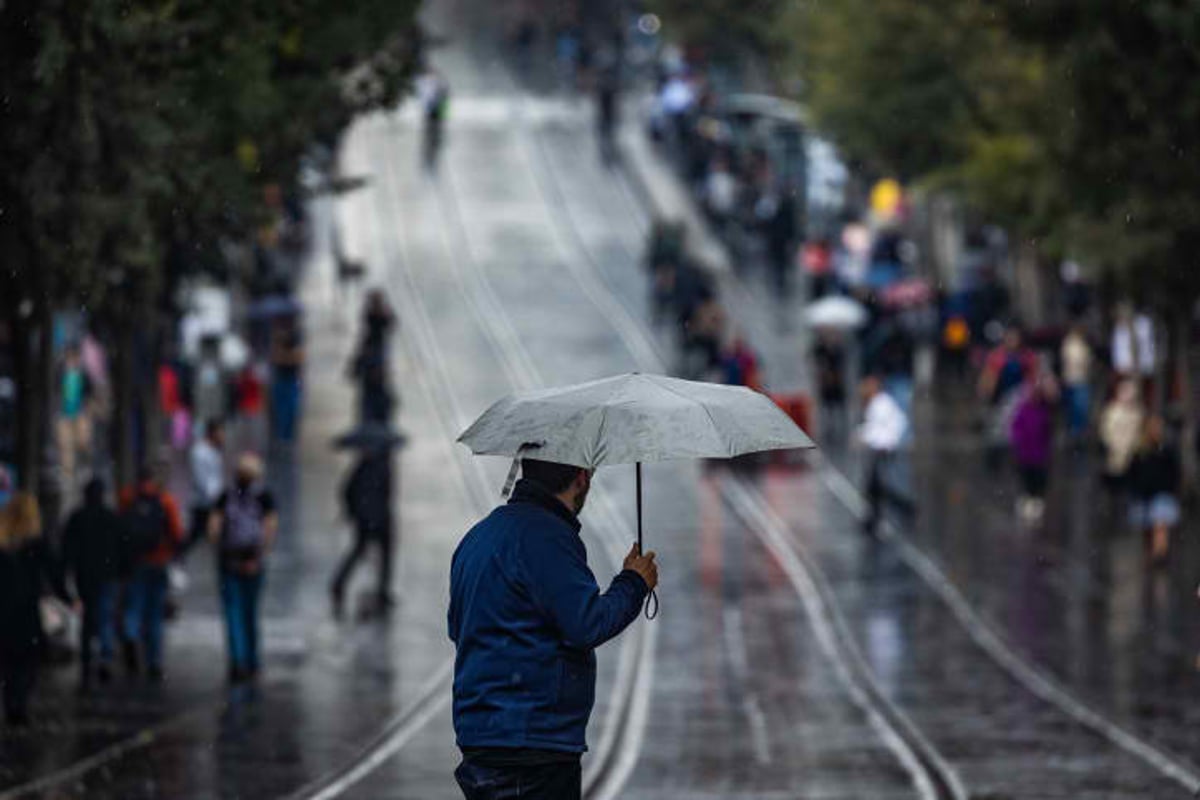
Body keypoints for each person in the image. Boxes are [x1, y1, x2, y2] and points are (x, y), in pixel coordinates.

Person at [448, 459, 658, 800]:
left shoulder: (478, 536)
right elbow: (587, 624)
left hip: (481, 738)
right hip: (532, 745)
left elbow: (458, 628)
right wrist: (634, 583)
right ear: (582, 478)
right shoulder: (547, 538)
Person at [0, 493, 70, 725]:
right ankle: (19, 705)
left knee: (9, 660)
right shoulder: (37, 543)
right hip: (27, 610)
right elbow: (53, 571)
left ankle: (12, 703)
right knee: (27, 660)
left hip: (4, 608)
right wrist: (68, 598)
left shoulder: (4, 542)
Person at [207, 454, 277, 682]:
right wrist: (259, 556)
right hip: (254, 562)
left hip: (229, 561)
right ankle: (252, 661)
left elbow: (214, 530)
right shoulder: (265, 497)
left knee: (233, 612)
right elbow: (269, 529)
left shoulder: (226, 495)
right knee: (250, 613)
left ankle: (237, 659)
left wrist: (221, 551)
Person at [119, 464, 185, 681]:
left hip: (135, 562)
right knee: (155, 614)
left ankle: (130, 634)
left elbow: (121, 526)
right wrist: (175, 554)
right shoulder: (165, 501)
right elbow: (177, 532)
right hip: (159, 561)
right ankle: (154, 662)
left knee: (134, 606)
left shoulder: (128, 497)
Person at [61, 479, 123, 689]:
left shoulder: (78, 518)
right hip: (106, 575)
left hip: (86, 575)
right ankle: (104, 656)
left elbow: (67, 549)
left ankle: (89, 659)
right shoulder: (110, 517)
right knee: (104, 615)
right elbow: (121, 546)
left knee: (89, 619)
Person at [331, 445, 396, 618]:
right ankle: (382, 591)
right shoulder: (384, 467)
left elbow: (346, 491)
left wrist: (353, 512)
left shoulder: (361, 466)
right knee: (384, 554)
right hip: (379, 519)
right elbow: (386, 494)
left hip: (365, 519)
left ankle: (339, 584)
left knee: (360, 552)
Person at [857, 375, 914, 535]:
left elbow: (890, 425)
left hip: (883, 450)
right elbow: (874, 427)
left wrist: (887, 442)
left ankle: (879, 518)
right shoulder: (878, 403)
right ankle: (875, 519)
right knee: (879, 486)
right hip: (881, 450)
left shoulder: (881, 404)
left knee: (878, 486)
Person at [978, 327, 1038, 467]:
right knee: (998, 431)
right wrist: (985, 390)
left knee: (1016, 431)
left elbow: (1032, 376)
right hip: (1001, 397)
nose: (1011, 341)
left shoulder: (1026, 356)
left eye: (1014, 338)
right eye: (1009, 338)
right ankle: (996, 460)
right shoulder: (998, 355)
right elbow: (989, 375)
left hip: (1020, 397)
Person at [1127, 416, 1181, 565]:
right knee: (1148, 527)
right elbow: (1133, 471)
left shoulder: (1166, 450)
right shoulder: (1140, 451)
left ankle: (1159, 554)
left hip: (1161, 492)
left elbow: (1174, 471)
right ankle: (1152, 553)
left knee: (1160, 525)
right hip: (1145, 494)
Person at [1009, 378, 1058, 522]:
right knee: (1027, 479)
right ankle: (1028, 501)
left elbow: (1048, 431)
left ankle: (1036, 503)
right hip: (1026, 454)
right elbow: (1016, 428)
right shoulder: (1023, 410)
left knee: (1038, 481)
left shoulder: (1044, 412)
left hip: (1039, 454)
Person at [185, 419, 226, 555]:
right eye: (220, 432)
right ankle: (177, 559)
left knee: (213, 534)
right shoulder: (200, 452)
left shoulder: (214, 451)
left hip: (211, 501)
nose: (223, 436)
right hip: (203, 502)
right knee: (196, 534)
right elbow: (202, 479)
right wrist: (216, 497)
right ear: (212, 433)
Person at [1099, 380, 1144, 495]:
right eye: (1126, 392)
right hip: (1114, 457)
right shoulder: (1112, 411)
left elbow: (1139, 433)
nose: (1129, 396)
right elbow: (1105, 432)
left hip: (1132, 459)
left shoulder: (1138, 412)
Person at [57, 345, 93, 486]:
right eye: (70, 357)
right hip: (64, 413)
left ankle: (83, 467)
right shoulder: (61, 373)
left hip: (80, 413)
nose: (73, 360)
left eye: (75, 357)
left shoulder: (83, 374)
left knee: (83, 442)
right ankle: (68, 473)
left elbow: (89, 392)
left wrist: (88, 407)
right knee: (65, 445)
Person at [270, 316, 305, 443]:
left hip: (290, 383)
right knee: (282, 411)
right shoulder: (279, 350)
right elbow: (277, 359)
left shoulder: (296, 352)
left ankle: (287, 435)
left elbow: (296, 360)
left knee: (291, 410)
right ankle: (282, 435)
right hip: (282, 382)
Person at [1060, 324, 1094, 440]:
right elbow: (1075, 362)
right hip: (1073, 380)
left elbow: (1087, 362)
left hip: (1081, 380)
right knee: (1075, 411)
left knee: (1081, 411)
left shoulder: (1082, 344)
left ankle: (1078, 437)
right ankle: (1075, 437)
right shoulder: (1070, 344)